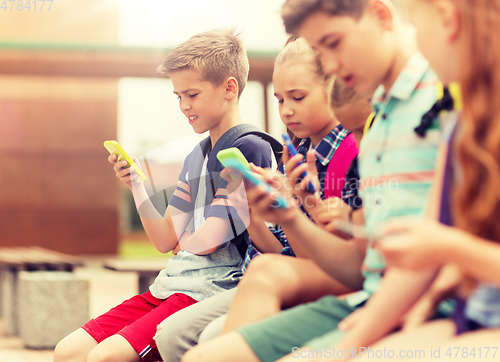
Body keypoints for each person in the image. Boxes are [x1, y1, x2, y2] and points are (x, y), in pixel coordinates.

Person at [181, 0, 444, 361]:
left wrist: (358, 334)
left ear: (381, 16)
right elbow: (366, 263)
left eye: (333, 44)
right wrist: (290, 214)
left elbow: (427, 257)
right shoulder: (380, 122)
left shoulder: (436, 106)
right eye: (322, 52)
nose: (332, 66)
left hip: (415, 307)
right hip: (372, 296)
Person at [53, 28, 277, 362]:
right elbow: (165, 239)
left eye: (192, 94)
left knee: (106, 357)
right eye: (178, 96)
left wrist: (184, 236)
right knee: (68, 352)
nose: (184, 106)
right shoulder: (196, 157)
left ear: (229, 88)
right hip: (169, 285)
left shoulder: (250, 148)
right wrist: (136, 186)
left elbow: (206, 243)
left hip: (209, 291)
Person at [305, 0, 500, 360]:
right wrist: (344, 349)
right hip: (470, 321)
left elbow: (441, 245)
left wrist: (452, 250)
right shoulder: (462, 126)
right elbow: (426, 255)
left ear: (447, 18)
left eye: (414, 25)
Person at [154, 37, 365, 362]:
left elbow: (331, 260)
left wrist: (298, 209)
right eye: (280, 100)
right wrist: (253, 212)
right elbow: (278, 249)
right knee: (171, 336)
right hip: (257, 275)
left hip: (263, 280)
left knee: (199, 340)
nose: (286, 110)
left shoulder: (346, 155)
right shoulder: (292, 157)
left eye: (297, 97)